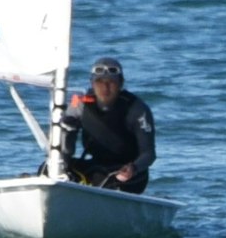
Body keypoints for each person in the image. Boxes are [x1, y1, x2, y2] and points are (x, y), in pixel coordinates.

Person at [57, 57, 155, 191]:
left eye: (111, 82)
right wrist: (67, 133)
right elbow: (67, 151)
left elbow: (149, 154)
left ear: (120, 84)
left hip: (129, 172)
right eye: (99, 82)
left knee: (103, 180)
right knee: (49, 168)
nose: (105, 87)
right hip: (96, 165)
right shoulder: (79, 104)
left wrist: (134, 168)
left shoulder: (136, 108)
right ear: (92, 83)